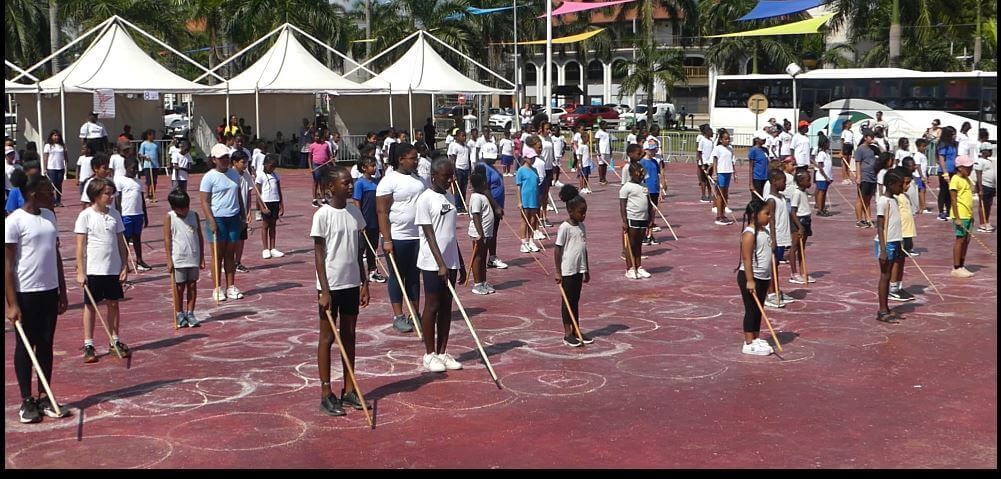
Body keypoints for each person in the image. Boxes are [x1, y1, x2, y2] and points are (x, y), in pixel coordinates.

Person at [5, 173, 70, 422]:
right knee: (25, 346)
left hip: (48, 291)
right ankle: (26, 401)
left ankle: (45, 396)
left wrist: (62, 291)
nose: (53, 195)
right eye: (48, 191)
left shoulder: (50, 216)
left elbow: (55, 256)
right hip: (25, 293)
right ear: (34, 194)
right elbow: (7, 266)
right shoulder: (14, 221)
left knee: (45, 344)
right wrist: (12, 304)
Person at [311, 165, 370, 416]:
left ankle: (349, 388)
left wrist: (364, 282)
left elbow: (359, 251)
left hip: (350, 283)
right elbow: (319, 254)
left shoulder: (354, 213)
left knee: (349, 335)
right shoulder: (322, 215)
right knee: (327, 338)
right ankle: (326, 392)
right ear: (330, 187)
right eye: (345, 183)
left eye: (350, 182)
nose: (349, 186)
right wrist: (324, 290)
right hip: (330, 286)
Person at [415, 157, 466, 373]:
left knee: (447, 306)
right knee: (433, 305)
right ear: (434, 176)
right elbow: (429, 235)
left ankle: (443, 352)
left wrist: (460, 261)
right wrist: (440, 263)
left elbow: (451, 234)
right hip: (431, 262)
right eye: (446, 176)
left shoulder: (450, 196)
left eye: (451, 175)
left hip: (451, 259)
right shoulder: (425, 199)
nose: (450, 180)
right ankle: (429, 354)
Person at [75, 177, 130, 363]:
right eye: (106, 193)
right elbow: (80, 246)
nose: (110, 197)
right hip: (93, 269)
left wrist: (125, 264)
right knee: (90, 306)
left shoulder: (115, 214)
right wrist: (80, 271)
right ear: (96, 195)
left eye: (111, 193)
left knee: (113, 304)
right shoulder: (85, 216)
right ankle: (89, 344)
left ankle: (114, 340)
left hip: (112, 268)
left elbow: (121, 242)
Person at [376, 143, 427, 333]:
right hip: (397, 237)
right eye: (413, 158)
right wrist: (387, 239)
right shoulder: (389, 181)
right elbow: (381, 211)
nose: (416, 161)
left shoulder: (420, 180)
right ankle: (398, 316)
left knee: (414, 277)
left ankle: (415, 313)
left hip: (418, 236)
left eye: (417, 157)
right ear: (401, 160)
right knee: (397, 277)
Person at [200, 144, 246, 301]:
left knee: (230, 254)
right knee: (217, 254)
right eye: (221, 158)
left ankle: (231, 286)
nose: (225, 160)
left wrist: (243, 214)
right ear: (214, 160)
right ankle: (217, 288)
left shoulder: (234, 174)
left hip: (233, 217)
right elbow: (205, 201)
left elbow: (239, 194)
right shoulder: (209, 177)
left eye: (227, 157)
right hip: (218, 218)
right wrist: (211, 220)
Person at [554, 184, 591, 347]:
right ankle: (567, 332)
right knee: (567, 301)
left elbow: (584, 248)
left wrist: (586, 269)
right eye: (581, 212)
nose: (583, 216)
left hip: (578, 269)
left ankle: (577, 329)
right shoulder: (565, 228)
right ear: (571, 211)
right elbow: (557, 249)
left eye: (585, 212)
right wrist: (557, 271)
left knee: (575, 300)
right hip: (567, 270)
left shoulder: (582, 227)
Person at [737, 197, 775, 356]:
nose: (769, 216)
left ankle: (756, 337)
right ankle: (748, 342)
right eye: (766, 213)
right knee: (751, 309)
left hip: (763, 277)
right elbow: (746, 258)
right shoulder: (749, 234)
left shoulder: (764, 231)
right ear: (755, 215)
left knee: (760, 310)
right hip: (750, 277)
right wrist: (750, 280)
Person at [164, 189, 205, 328]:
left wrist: (202, 256)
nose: (185, 210)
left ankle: (191, 313)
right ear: (174, 208)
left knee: (192, 285)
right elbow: (167, 239)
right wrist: (169, 259)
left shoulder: (194, 215)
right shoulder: (170, 217)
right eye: (181, 208)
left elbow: (199, 236)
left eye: (187, 206)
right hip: (179, 259)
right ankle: (179, 313)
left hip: (193, 256)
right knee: (179, 287)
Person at [874, 170, 906, 323]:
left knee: (888, 276)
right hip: (886, 243)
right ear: (891, 184)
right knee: (885, 276)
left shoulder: (894, 200)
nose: (902, 188)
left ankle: (886, 308)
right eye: (900, 185)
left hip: (894, 241)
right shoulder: (883, 201)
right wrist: (883, 249)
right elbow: (880, 226)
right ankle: (881, 310)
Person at [114, 157, 151, 271]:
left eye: (136, 169)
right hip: (126, 214)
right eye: (132, 169)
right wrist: (119, 214)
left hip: (138, 214)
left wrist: (145, 214)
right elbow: (118, 199)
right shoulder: (120, 181)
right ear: (126, 168)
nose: (135, 171)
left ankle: (139, 260)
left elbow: (141, 199)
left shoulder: (138, 182)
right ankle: (124, 263)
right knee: (125, 239)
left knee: (137, 238)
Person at [764, 169, 793, 308]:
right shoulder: (771, 200)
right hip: (776, 238)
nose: (785, 184)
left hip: (783, 237)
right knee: (772, 266)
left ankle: (776, 290)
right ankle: (770, 294)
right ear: (774, 182)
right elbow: (771, 221)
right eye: (783, 181)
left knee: (776, 265)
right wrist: (773, 239)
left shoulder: (781, 198)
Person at [352, 156, 385, 283]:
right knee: (361, 248)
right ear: (364, 168)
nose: (375, 167)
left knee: (373, 247)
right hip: (364, 221)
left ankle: (373, 271)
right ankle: (358, 273)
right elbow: (356, 201)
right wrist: (360, 220)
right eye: (372, 165)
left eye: (375, 165)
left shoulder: (377, 183)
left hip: (375, 221)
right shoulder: (360, 183)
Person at [891, 166, 917, 302]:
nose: (906, 186)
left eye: (909, 183)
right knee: (896, 261)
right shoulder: (894, 197)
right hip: (899, 234)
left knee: (902, 260)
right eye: (905, 183)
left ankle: (899, 286)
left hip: (908, 233)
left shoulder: (904, 196)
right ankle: (893, 287)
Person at [467, 171, 495, 295]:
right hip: (479, 233)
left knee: (483, 257)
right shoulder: (476, 198)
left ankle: (483, 281)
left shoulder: (482, 196)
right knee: (478, 257)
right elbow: (476, 215)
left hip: (486, 232)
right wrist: (480, 233)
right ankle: (477, 284)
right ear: (483, 183)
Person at [620, 162, 649, 280]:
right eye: (639, 173)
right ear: (631, 174)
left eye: (643, 174)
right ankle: (630, 268)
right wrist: (625, 221)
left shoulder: (644, 186)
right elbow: (622, 206)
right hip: (632, 218)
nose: (642, 176)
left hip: (643, 218)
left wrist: (650, 219)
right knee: (631, 245)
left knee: (639, 244)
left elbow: (649, 203)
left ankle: (638, 266)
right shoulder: (626, 188)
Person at [949, 155, 976, 278]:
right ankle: (956, 266)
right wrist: (957, 217)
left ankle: (962, 263)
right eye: (967, 168)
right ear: (960, 168)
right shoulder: (955, 179)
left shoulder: (967, 179)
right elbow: (953, 200)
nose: (970, 170)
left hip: (968, 214)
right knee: (960, 240)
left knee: (967, 240)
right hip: (961, 214)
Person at [516, 137, 542, 253]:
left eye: (534, 158)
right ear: (525, 158)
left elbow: (537, 185)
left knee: (533, 220)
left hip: (534, 199)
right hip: (525, 199)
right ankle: (523, 242)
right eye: (530, 158)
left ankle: (531, 240)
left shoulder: (535, 170)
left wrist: (540, 198)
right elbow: (518, 187)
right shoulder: (521, 170)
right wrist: (519, 201)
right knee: (524, 221)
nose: (532, 160)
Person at [230, 151, 255, 273]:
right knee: (231, 239)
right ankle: (229, 261)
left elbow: (249, 194)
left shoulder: (247, 176)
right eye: (243, 162)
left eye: (247, 162)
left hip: (243, 212)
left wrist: (249, 211)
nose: (245, 165)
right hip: (232, 211)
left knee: (241, 238)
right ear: (234, 162)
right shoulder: (230, 175)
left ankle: (237, 262)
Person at [256, 154, 285, 259]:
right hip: (266, 202)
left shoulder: (276, 175)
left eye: (274, 166)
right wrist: (262, 207)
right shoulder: (260, 175)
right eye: (271, 165)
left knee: (273, 225)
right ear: (265, 164)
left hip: (275, 201)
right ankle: (265, 249)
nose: (273, 168)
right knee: (265, 226)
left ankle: (273, 248)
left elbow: (279, 190)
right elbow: (258, 193)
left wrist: (281, 204)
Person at [788, 171, 813, 284]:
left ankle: (803, 272)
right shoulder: (796, 193)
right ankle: (794, 273)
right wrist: (799, 226)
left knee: (802, 248)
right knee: (794, 247)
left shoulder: (804, 192)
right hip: (799, 221)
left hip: (806, 220)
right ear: (801, 181)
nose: (810, 182)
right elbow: (793, 211)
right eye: (807, 180)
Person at [854, 130, 879, 228]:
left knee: (868, 199)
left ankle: (868, 218)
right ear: (865, 137)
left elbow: (884, 152)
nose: (872, 139)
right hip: (864, 176)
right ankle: (859, 220)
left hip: (873, 176)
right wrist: (858, 176)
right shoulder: (860, 149)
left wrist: (878, 144)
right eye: (870, 137)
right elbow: (857, 163)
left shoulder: (873, 148)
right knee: (861, 198)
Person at [712, 130, 736, 226]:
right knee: (720, 194)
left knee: (725, 194)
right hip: (721, 172)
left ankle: (723, 214)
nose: (727, 140)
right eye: (725, 139)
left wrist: (735, 173)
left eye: (728, 139)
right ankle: (718, 215)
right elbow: (715, 161)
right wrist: (714, 173)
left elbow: (732, 161)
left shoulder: (730, 148)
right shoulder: (718, 148)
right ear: (721, 140)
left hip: (728, 172)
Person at [935, 126, 960, 221]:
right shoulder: (943, 145)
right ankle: (941, 211)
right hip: (944, 171)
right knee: (943, 191)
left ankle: (949, 210)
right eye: (953, 134)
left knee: (951, 191)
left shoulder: (954, 144)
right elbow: (941, 159)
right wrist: (945, 172)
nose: (954, 136)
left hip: (953, 170)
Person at [639, 144, 662, 244]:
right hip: (646, 191)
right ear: (646, 150)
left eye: (654, 150)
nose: (654, 152)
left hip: (655, 190)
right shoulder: (642, 162)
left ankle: (650, 234)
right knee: (646, 213)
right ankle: (644, 235)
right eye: (651, 150)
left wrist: (660, 188)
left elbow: (657, 175)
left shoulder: (654, 162)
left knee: (653, 213)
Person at [447, 130, 471, 214]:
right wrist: (453, 173)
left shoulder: (467, 147)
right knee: (458, 189)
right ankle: (457, 206)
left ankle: (462, 206)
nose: (464, 138)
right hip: (458, 170)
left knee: (463, 189)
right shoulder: (455, 146)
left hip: (465, 169)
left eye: (465, 136)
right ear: (457, 137)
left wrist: (469, 172)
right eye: (462, 136)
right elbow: (452, 160)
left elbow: (469, 160)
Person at [42, 130, 67, 207]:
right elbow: (45, 157)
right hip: (51, 168)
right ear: (51, 136)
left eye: (57, 135)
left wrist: (66, 167)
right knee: (52, 185)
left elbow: (66, 157)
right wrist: (45, 168)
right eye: (54, 135)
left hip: (60, 168)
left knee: (59, 184)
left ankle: (58, 201)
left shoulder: (62, 146)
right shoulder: (48, 145)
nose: (56, 137)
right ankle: (51, 201)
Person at [975, 143, 995, 232]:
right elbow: (978, 175)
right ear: (984, 151)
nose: (991, 152)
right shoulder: (980, 161)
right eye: (989, 151)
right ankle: (982, 223)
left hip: (991, 186)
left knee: (988, 204)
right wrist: (980, 189)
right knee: (982, 204)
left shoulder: (989, 161)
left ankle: (986, 220)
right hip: (984, 185)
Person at [309, 131, 332, 207]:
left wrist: (330, 161)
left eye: (318, 136)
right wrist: (310, 167)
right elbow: (309, 158)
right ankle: (314, 200)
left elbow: (329, 155)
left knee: (323, 183)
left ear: (321, 137)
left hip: (324, 165)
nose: (316, 138)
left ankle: (323, 199)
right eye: (315, 136)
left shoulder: (325, 145)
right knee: (316, 182)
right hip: (316, 165)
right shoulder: (312, 145)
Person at [814, 135, 834, 216]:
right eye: (828, 143)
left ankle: (822, 207)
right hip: (822, 177)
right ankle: (819, 209)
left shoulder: (827, 154)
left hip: (827, 177)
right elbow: (820, 167)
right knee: (821, 192)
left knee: (824, 193)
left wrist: (830, 177)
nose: (829, 144)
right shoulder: (821, 153)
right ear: (824, 144)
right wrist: (826, 177)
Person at [137, 130, 160, 202]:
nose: (154, 136)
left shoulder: (156, 143)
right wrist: (145, 157)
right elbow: (140, 154)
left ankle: (153, 194)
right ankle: (147, 195)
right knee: (148, 181)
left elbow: (159, 154)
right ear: (148, 135)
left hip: (155, 165)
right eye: (153, 135)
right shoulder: (144, 144)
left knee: (155, 181)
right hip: (148, 165)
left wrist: (159, 163)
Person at [697, 124, 714, 203]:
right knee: (703, 180)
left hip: (709, 163)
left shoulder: (711, 141)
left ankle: (710, 194)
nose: (712, 133)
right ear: (706, 132)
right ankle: (703, 195)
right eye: (710, 131)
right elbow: (699, 152)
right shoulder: (702, 140)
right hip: (703, 163)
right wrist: (702, 164)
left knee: (709, 180)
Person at [840, 120, 855, 185]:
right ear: (846, 125)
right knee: (845, 163)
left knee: (848, 163)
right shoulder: (844, 132)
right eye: (849, 124)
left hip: (850, 146)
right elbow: (842, 141)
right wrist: (841, 150)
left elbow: (852, 140)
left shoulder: (851, 132)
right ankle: (844, 178)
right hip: (846, 145)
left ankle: (848, 178)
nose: (850, 125)